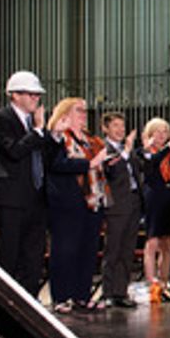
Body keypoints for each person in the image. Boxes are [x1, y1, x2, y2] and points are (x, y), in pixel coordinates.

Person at [0, 70, 50, 297]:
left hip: (36, 196)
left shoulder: (37, 125)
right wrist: (37, 131)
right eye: (30, 94)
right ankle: (5, 300)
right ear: (15, 95)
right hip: (12, 197)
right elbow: (13, 152)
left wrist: (50, 134)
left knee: (33, 254)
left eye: (37, 95)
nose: (36, 98)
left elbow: (46, 157)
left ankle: (29, 301)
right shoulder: (0, 119)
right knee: (10, 253)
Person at [44, 98, 109, 313]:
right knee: (65, 249)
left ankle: (82, 295)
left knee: (88, 249)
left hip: (92, 200)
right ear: (65, 113)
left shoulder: (89, 139)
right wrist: (90, 163)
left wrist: (105, 163)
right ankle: (61, 297)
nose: (83, 114)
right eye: (79, 110)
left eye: (84, 110)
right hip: (67, 200)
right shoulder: (59, 137)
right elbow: (55, 164)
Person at [140, 116, 170, 301]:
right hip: (154, 196)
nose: (162, 135)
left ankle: (164, 283)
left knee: (167, 244)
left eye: (165, 132)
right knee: (152, 242)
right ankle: (152, 284)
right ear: (150, 135)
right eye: (158, 132)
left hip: (169, 196)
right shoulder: (144, 152)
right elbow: (153, 162)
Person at [100, 112, 143, 308]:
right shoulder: (104, 148)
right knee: (113, 249)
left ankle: (120, 291)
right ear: (106, 129)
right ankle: (108, 292)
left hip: (133, 202)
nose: (120, 130)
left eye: (122, 126)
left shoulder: (129, 150)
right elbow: (111, 171)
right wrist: (125, 151)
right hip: (116, 204)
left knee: (127, 249)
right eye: (115, 126)